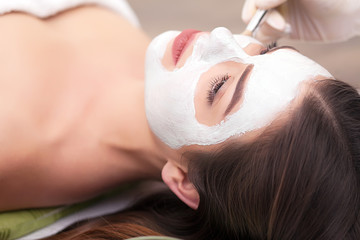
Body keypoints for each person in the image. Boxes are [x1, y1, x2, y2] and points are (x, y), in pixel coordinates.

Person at [1, 0, 360, 239]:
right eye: (267, 50)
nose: (221, 37)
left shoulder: (11, 138)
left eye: (219, 88)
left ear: (185, 182)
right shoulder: (157, 75)